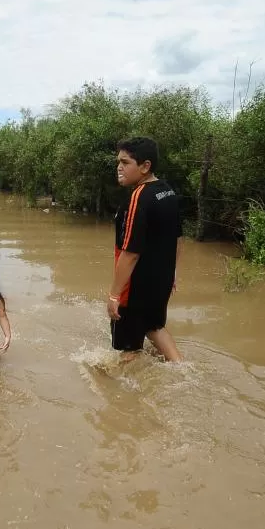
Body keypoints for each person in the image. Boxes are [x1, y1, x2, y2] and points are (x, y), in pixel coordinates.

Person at [107, 136, 184, 363]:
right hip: (162, 280)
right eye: (118, 162)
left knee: (127, 349)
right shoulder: (167, 191)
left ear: (145, 166)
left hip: (136, 287)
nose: (119, 168)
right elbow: (178, 239)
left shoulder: (138, 198)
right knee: (154, 327)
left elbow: (129, 253)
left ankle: (120, 395)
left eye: (125, 162)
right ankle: (182, 370)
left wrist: (114, 295)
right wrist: (173, 273)